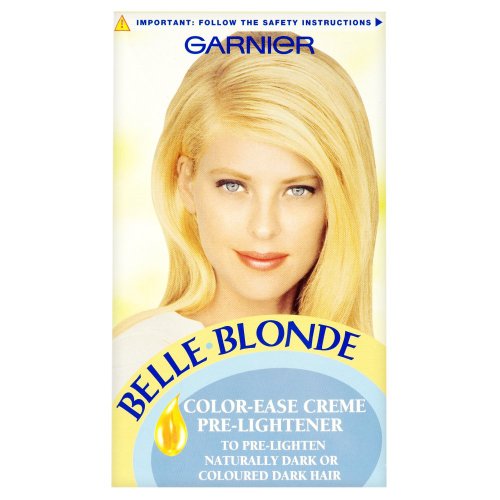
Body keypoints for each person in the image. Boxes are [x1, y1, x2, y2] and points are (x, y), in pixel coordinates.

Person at [113, 31, 378, 392]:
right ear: (187, 183)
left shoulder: (363, 377)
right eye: (233, 186)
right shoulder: (140, 364)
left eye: (298, 190)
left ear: (337, 201)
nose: (264, 227)